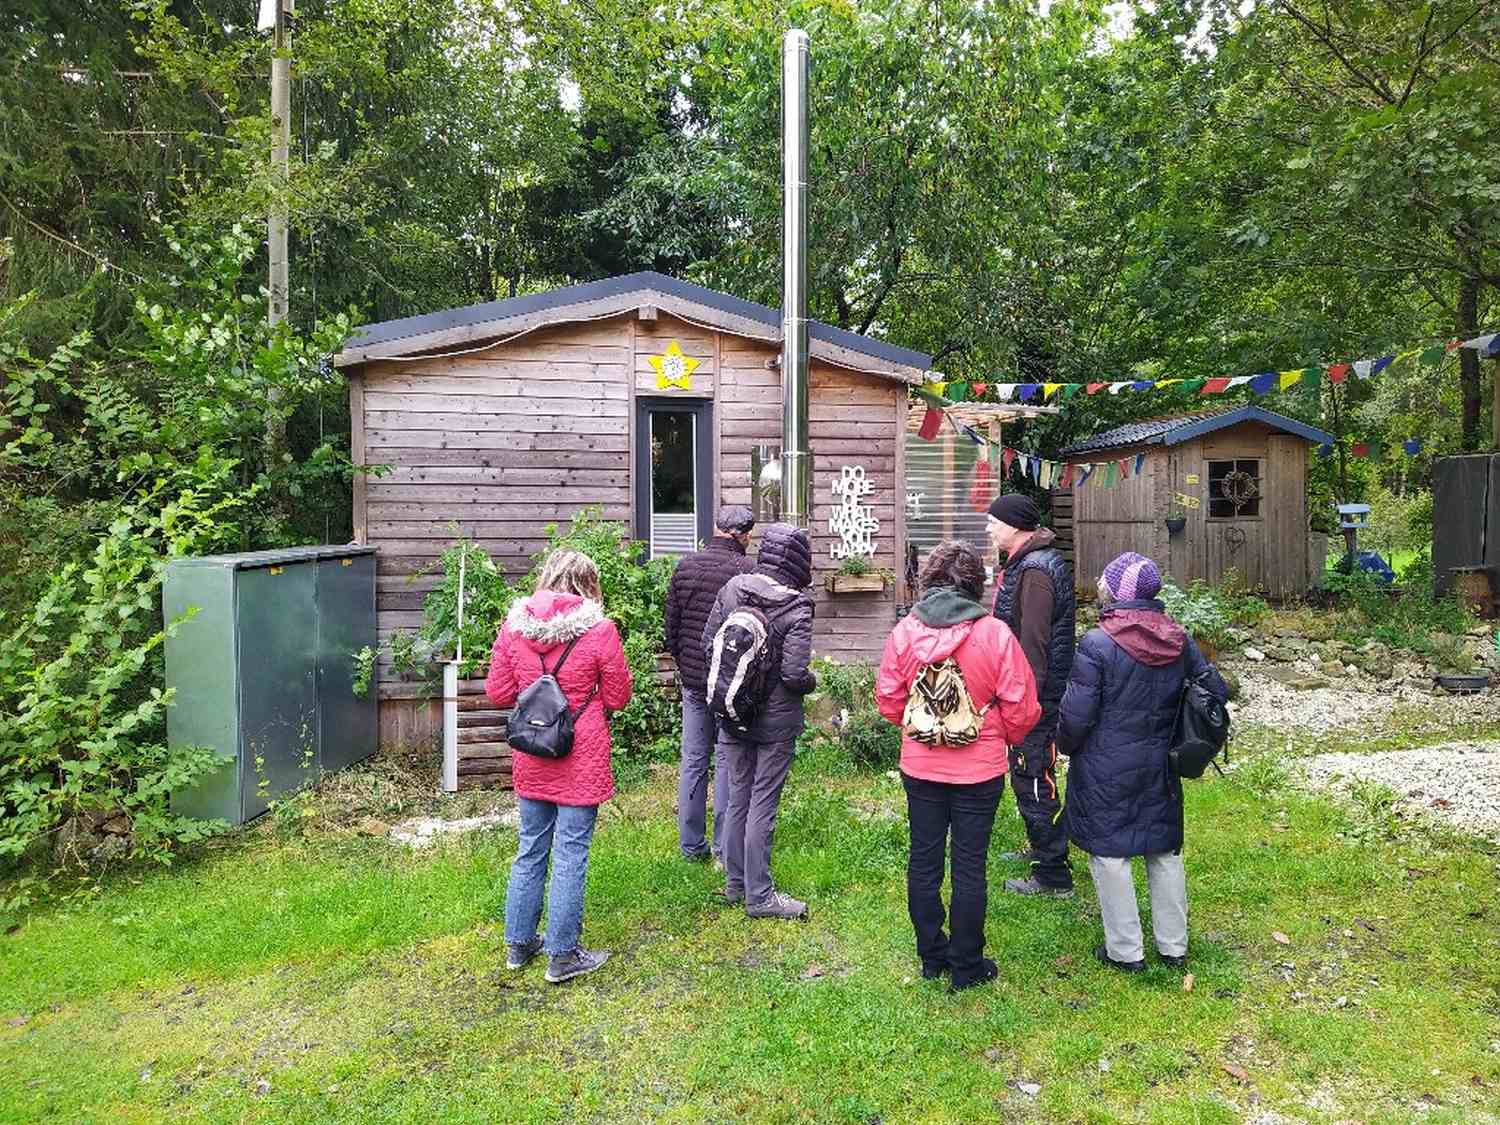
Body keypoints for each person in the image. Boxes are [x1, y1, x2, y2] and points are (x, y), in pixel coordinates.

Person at [875, 542, 1041, 991]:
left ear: (930, 580)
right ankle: (967, 965)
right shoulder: (994, 635)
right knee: (970, 865)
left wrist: (920, 731)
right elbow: (1022, 705)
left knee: (923, 860)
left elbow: (889, 699)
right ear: (976, 584)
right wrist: (997, 736)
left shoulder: (906, 632)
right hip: (980, 770)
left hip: (921, 765)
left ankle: (932, 956)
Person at [1057, 552, 1228, 972]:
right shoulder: (1180, 639)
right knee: (1164, 850)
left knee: (1111, 855)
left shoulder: (1097, 643)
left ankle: (1125, 952)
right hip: (1161, 762)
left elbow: (1077, 716)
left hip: (1105, 764)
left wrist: (1064, 744)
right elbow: (1215, 693)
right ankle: (1174, 947)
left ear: (1117, 592)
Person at [485, 549, 633, 984]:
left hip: (533, 751)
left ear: (547, 578)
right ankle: (562, 956)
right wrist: (581, 704)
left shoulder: (514, 628)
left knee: (530, 848)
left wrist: (534, 694)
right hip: (581, 752)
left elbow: (497, 692)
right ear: (589, 585)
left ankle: (518, 945)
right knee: (571, 853)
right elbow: (619, 697)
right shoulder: (601, 631)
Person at [701, 522, 816, 920]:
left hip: (732, 712)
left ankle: (735, 884)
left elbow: (706, 643)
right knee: (762, 802)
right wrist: (812, 681)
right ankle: (760, 896)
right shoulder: (797, 606)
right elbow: (795, 675)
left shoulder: (733, 588)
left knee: (737, 796)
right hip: (775, 723)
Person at [986, 493, 1077, 897]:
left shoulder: (1036, 571)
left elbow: (1034, 646)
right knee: (1031, 770)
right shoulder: (1028, 562)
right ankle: (1041, 847)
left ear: (1016, 525)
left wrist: (1025, 704)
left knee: (1032, 773)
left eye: (994, 521)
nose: (988, 527)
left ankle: (1053, 874)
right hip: (1032, 692)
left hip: (1034, 696)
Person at [663, 505, 756, 863]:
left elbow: (671, 626)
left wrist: (686, 665)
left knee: (693, 758)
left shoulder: (685, 566)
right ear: (744, 535)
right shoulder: (747, 571)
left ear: (716, 530)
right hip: (731, 683)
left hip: (693, 680)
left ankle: (690, 845)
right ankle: (722, 847)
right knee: (728, 759)